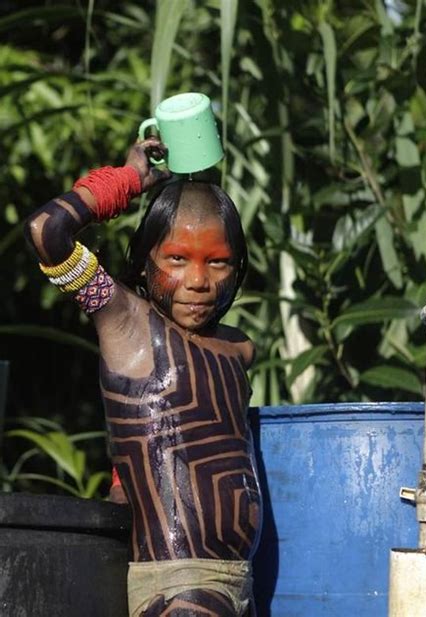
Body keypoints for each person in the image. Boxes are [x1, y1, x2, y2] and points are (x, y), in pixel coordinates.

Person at [24, 137, 262, 616]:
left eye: (217, 262)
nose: (198, 281)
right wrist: (127, 180)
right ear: (145, 260)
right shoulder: (127, 324)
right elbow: (47, 231)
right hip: (179, 586)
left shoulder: (236, 348)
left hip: (237, 582)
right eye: (177, 259)